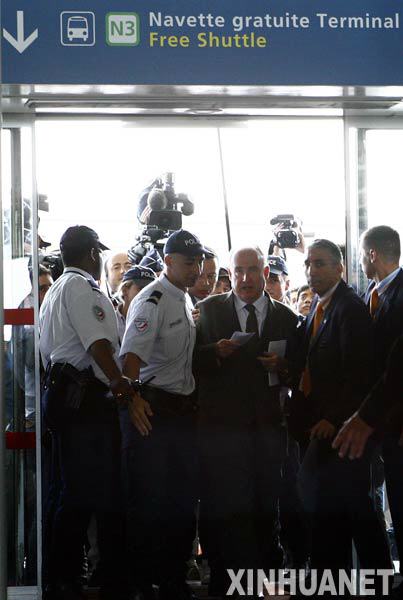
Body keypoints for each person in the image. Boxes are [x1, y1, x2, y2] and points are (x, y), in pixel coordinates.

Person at [194, 246, 298, 599]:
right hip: (222, 433)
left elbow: (301, 369)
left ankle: (267, 581)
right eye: (238, 271)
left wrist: (283, 367)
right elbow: (188, 362)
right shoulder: (209, 311)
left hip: (267, 431)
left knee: (266, 508)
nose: (244, 278)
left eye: (252, 270)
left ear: (265, 273)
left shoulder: (286, 317)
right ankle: (226, 582)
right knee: (225, 510)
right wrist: (214, 353)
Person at [40, 225, 135, 600]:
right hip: (85, 399)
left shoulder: (57, 289)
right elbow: (97, 344)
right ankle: (69, 578)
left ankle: (63, 576)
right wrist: (119, 383)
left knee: (71, 491)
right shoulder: (81, 287)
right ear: (93, 253)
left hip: (65, 393)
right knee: (86, 494)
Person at [293, 239, 391, 589]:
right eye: (308, 264)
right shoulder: (320, 307)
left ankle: (377, 581)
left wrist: (334, 419)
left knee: (354, 509)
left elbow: (358, 375)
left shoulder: (349, 309)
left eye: (320, 263)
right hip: (322, 427)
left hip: (344, 429)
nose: (312, 270)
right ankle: (331, 579)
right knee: (330, 508)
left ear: (340, 268)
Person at [120, 229, 206, 600]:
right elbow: (130, 361)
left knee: (182, 503)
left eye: (198, 262)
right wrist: (132, 401)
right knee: (148, 503)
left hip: (182, 415)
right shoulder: (151, 299)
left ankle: (173, 579)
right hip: (154, 412)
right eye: (189, 263)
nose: (196, 269)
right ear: (168, 261)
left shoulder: (184, 298)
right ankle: (141, 584)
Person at [333, 225, 403, 597]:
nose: (360, 262)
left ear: (372, 254)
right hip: (380, 424)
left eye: (361, 254)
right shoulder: (371, 296)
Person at [115, 265, 156, 340]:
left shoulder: (158, 319)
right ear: (125, 290)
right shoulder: (111, 319)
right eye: (142, 289)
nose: (148, 294)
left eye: (152, 290)